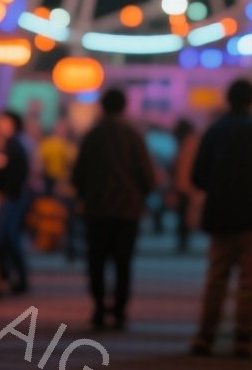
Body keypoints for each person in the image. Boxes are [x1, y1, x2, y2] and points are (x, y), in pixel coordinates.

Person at [190, 79, 252, 358]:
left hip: (220, 216)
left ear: (228, 100)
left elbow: (198, 176)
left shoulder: (214, 131)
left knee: (216, 278)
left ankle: (205, 337)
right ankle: (243, 340)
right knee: (249, 282)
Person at [71, 88, 155, 330]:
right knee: (123, 263)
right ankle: (119, 312)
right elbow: (147, 176)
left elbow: (78, 175)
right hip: (127, 212)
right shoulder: (132, 136)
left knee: (96, 262)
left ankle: (98, 309)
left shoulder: (93, 136)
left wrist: (86, 195)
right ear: (124, 107)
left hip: (96, 211)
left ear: (102, 106)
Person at [0, 111, 31, 293]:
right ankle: (14, 278)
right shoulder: (11, 144)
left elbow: (17, 172)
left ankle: (12, 277)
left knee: (6, 237)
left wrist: (0, 165)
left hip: (12, 197)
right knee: (8, 237)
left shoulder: (14, 145)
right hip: (12, 196)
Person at [170, 118, 199, 254]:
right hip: (187, 185)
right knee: (184, 216)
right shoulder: (192, 142)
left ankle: (183, 242)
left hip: (185, 186)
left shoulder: (187, 144)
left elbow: (181, 167)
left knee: (183, 216)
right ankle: (183, 242)